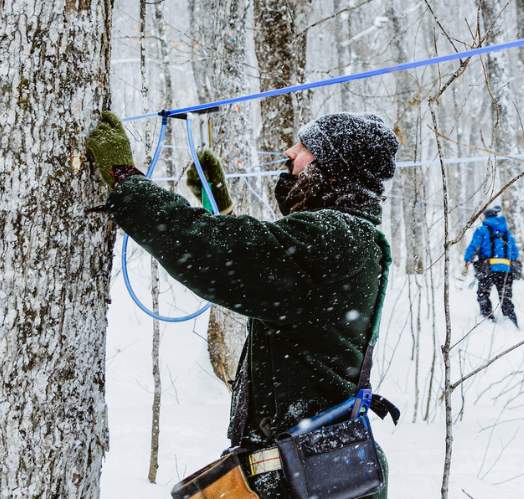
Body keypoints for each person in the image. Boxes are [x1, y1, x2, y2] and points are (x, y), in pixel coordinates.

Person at [86, 111, 399, 497]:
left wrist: (125, 179)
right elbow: (262, 262)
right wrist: (218, 203)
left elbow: (218, 254)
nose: (290, 153)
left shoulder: (332, 240)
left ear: (331, 170)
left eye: (304, 148)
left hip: (302, 475)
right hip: (314, 469)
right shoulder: (346, 239)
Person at [463, 205, 520, 327]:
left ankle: (488, 319)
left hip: (487, 269)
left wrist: (467, 259)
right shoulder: (506, 233)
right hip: (506, 270)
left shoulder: (482, 230)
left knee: (483, 294)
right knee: (505, 297)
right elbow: (514, 253)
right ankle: (511, 321)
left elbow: (473, 246)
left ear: (485, 216)